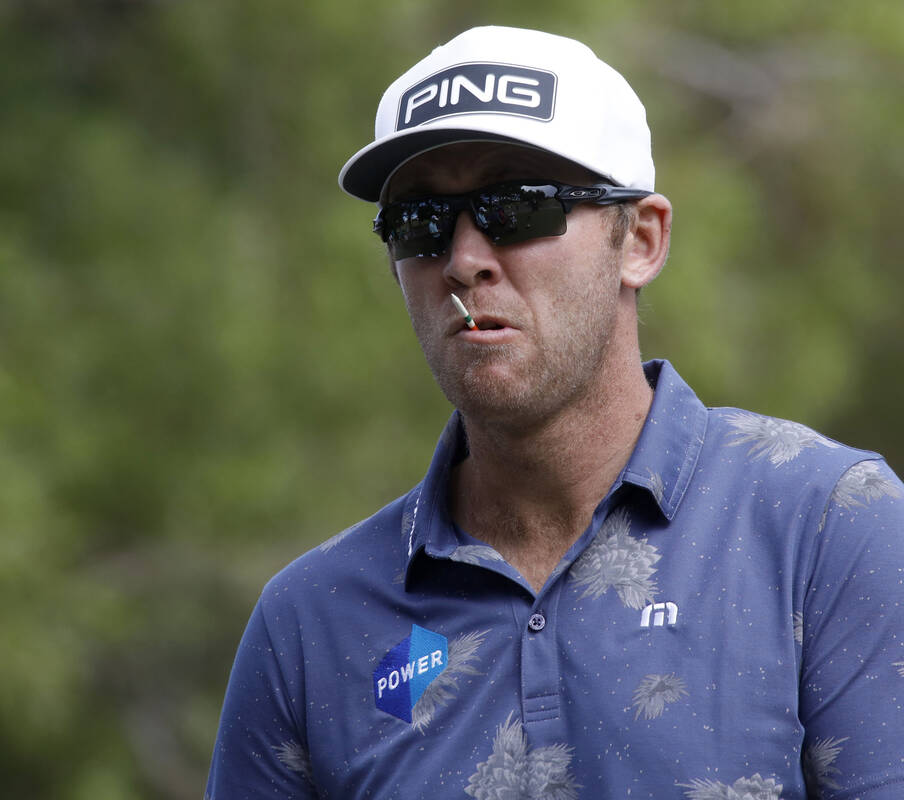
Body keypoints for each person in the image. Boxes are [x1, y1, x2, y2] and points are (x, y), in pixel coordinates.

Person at [206, 26, 904, 799]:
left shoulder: (826, 527)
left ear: (638, 240)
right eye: (420, 221)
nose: (464, 259)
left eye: (515, 207)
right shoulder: (310, 623)